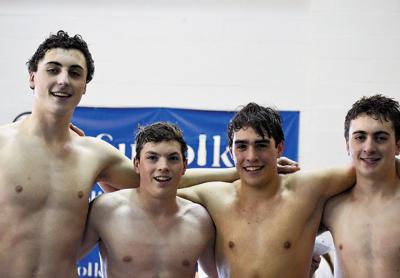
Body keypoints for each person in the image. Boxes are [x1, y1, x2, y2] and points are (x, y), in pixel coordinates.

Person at [0, 30, 244, 278]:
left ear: (84, 86)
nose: (63, 80)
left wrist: (239, 171)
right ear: (32, 77)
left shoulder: (94, 154)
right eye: (53, 70)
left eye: (75, 73)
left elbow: (158, 179)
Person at [178, 102, 357, 277]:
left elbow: (361, 171)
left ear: (279, 148)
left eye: (261, 145)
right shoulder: (215, 197)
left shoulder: (306, 189)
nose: (251, 156)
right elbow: (166, 183)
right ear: (231, 152)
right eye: (241, 147)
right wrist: (235, 172)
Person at [80, 122, 218, 278]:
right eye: (152, 157)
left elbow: (216, 274)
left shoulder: (200, 219)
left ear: (184, 166)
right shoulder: (105, 210)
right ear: (137, 164)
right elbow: (61, 260)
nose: (163, 166)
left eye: (173, 158)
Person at [322, 94, 400, 277]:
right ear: (347, 145)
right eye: (360, 137)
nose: (369, 148)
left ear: (398, 145)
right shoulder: (330, 204)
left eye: (380, 137)